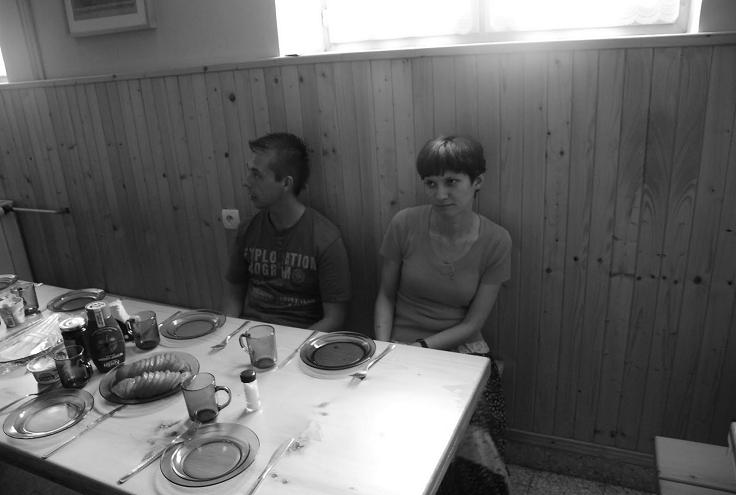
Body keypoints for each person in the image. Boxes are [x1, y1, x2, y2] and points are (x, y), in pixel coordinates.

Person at [374, 135, 511, 495]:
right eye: (431, 183)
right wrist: (384, 347)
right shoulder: (405, 223)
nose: (440, 194)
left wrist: (421, 347)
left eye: (452, 182)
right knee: (382, 420)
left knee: (476, 432)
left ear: (477, 182)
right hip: (399, 343)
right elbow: (385, 295)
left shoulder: (497, 240)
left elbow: (473, 324)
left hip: (459, 347)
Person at [224, 132, 351, 332]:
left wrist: (294, 346)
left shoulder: (325, 238)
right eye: (249, 172)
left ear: (285, 183)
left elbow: (334, 319)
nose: (246, 182)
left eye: (257, 174)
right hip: (252, 334)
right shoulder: (248, 230)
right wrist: (227, 336)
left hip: (301, 338)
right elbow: (233, 298)